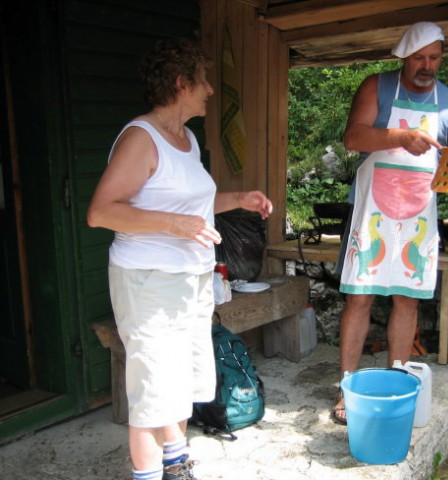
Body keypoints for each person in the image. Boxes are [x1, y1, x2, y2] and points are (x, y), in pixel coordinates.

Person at [87, 38, 272, 480]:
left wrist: (238, 198)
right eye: (204, 81)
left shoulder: (186, 138)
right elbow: (101, 212)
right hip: (149, 282)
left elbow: (189, 204)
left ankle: (177, 465)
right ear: (180, 83)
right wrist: (174, 225)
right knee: (153, 393)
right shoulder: (141, 138)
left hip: (191, 280)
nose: (210, 91)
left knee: (184, 382)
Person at [333, 22, 448, 424]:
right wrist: (400, 138)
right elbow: (353, 137)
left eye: (434, 58)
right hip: (372, 214)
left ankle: (398, 384)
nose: (427, 65)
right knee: (360, 296)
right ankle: (346, 388)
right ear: (404, 57)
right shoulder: (377, 87)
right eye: (419, 58)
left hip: (418, 213)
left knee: (406, 298)